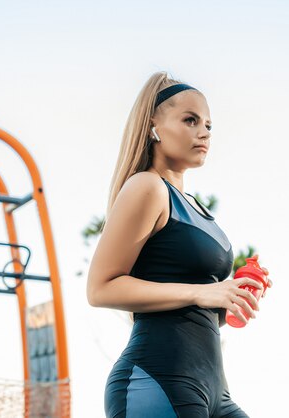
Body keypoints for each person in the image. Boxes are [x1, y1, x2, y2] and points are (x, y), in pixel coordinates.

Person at [87, 72, 272, 418]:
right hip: (156, 380)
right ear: (153, 127)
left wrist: (232, 299)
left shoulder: (200, 211)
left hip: (214, 391)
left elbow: (195, 312)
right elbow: (100, 288)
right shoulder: (148, 187)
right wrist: (201, 293)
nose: (204, 133)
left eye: (208, 125)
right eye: (190, 120)